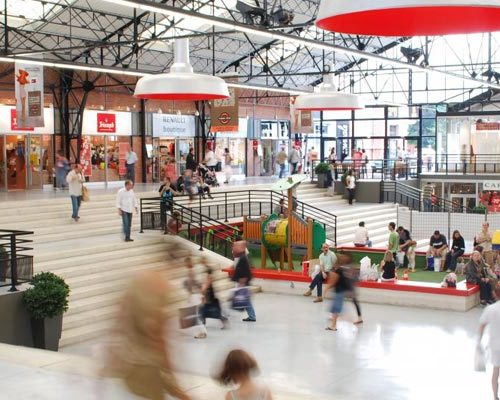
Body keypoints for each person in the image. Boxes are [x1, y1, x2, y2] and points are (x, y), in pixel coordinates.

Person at [102, 270, 192, 400]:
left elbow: (118, 325)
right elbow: (161, 346)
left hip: (130, 369)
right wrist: (174, 382)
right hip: (148, 371)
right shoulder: (155, 315)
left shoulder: (132, 300)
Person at [478, 284, 500, 400]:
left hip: (495, 345)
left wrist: (479, 342)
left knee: (495, 372)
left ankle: (495, 396)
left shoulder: (490, 309)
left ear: (494, 294)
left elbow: (482, 326)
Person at [232, 240, 256, 322]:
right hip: (242, 282)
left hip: (243, 282)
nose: (234, 248)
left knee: (246, 300)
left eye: (236, 246)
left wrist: (241, 283)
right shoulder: (243, 257)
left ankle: (252, 316)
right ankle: (252, 316)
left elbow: (246, 272)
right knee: (246, 300)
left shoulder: (243, 258)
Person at [324, 265, 351, 331]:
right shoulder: (341, 269)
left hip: (339, 292)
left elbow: (334, 280)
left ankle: (334, 326)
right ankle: (333, 325)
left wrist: (326, 288)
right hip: (340, 292)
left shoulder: (339, 270)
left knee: (335, 310)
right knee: (335, 310)